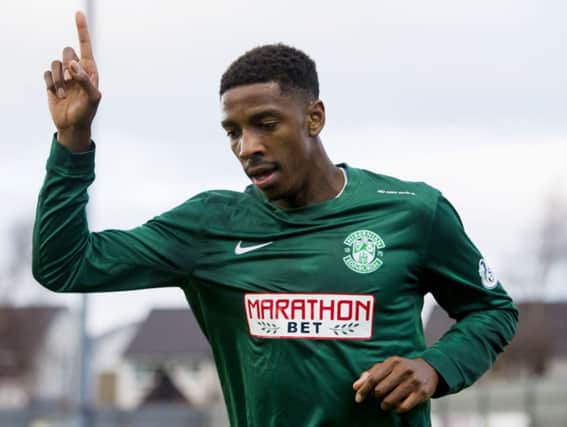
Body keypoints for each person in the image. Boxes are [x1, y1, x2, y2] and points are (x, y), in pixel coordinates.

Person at [34, 11, 518, 427]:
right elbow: (65, 265)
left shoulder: (410, 212)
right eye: (233, 132)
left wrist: (433, 368)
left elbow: (492, 310)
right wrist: (73, 141)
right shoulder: (210, 226)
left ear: (314, 118)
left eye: (266, 124)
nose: (248, 147)